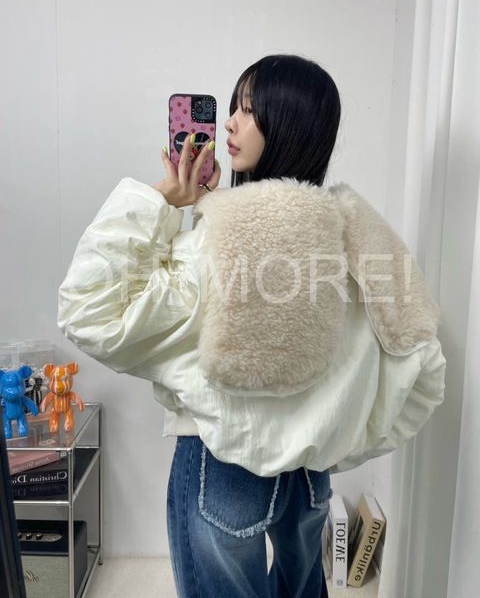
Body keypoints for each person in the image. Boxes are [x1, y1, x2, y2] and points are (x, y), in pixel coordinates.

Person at [58, 54, 446, 598]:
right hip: (310, 477)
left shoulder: (217, 249)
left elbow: (90, 311)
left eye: (247, 109)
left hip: (224, 468)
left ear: (286, 122)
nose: (229, 124)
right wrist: (334, 441)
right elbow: (417, 364)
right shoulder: (354, 242)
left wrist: (162, 201)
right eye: (233, 108)